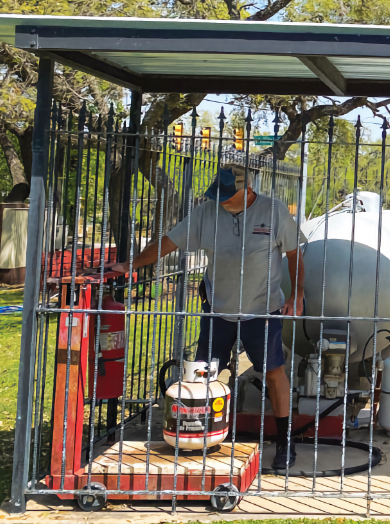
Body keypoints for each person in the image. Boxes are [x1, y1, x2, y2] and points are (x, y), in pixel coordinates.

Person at [112, 163, 306, 471]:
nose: (223, 200)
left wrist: (297, 295)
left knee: (273, 372)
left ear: (248, 190)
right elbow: (168, 242)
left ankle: (285, 441)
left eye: (229, 195)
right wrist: (131, 265)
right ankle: (200, 437)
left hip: (262, 310)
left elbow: (294, 254)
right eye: (219, 194)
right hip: (218, 310)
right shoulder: (206, 213)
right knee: (203, 376)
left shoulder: (274, 212)